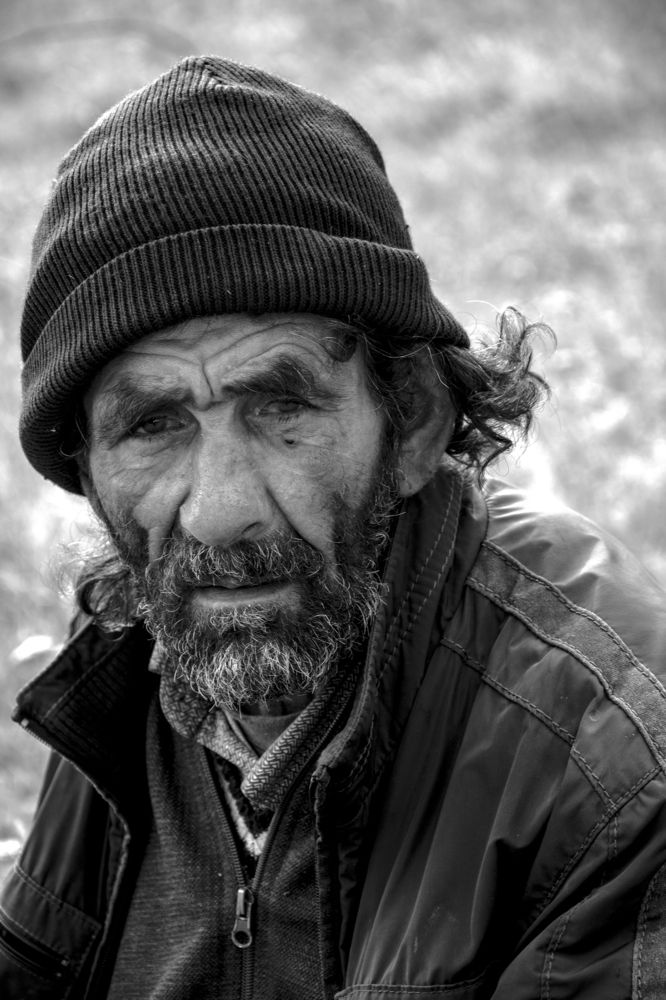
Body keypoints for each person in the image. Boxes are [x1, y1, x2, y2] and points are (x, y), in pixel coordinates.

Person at [2, 55, 665, 1000]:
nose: (219, 512)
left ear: (414, 422)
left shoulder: (609, 766)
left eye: (283, 408)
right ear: (88, 470)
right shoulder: (128, 652)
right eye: (152, 425)